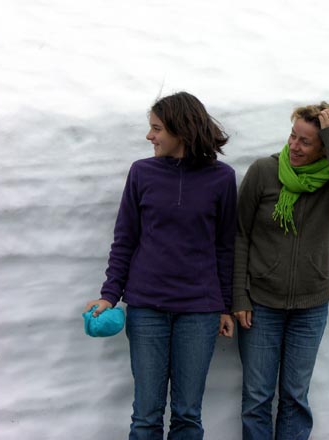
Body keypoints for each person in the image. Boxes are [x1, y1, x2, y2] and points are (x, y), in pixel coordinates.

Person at [83, 91, 237, 440]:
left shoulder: (222, 178)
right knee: (146, 416)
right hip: (147, 308)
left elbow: (226, 247)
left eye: (157, 128)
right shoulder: (142, 173)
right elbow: (125, 239)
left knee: (187, 415)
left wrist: (225, 305)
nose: (149, 136)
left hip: (199, 311)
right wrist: (109, 295)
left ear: (182, 130)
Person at [232, 102, 329, 440]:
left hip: (311, 306)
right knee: (257, 397)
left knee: (295, 397)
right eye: (293, 136)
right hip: (261, 304)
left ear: (324, 148)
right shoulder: (264, 171)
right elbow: (240, 235)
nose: (294, 146)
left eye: (306, 141)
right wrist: (239, 296)